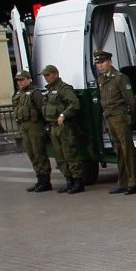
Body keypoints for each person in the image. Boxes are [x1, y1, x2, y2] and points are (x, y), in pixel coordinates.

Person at [93, 50, 136, 195]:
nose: (100, 66)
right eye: (98, 63)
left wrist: (130, 118)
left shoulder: (120, 78)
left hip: (120, 117)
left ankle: (133, 183)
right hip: (109, 118)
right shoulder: (101, 79)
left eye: (102, 62)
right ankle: (123, 181)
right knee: (118, 150)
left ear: (110, 62)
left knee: (127, 150)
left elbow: (130, 100)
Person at [41, 65, 85, 194]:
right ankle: (69, 180)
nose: (46, 78)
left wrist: (63, 115)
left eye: (48, 75)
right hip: (53, 126)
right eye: (44, 76)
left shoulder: (64, 88)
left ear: (55, 74)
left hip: (63, 126)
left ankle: (78, 181)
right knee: (60, 156)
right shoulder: (49, 90)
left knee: (69, 153)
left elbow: (74, 103)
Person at [13, 71, 52, 192]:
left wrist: (46, 126)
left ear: (29, 79)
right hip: (24, 127)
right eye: (18, 80)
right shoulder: (19, 94)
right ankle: (39, 179)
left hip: (35, 126)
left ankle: (45, 181)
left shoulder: (35, 93)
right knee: (31, 154)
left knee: (39, 153)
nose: (20, 82)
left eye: (22, 80)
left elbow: (42, 110)